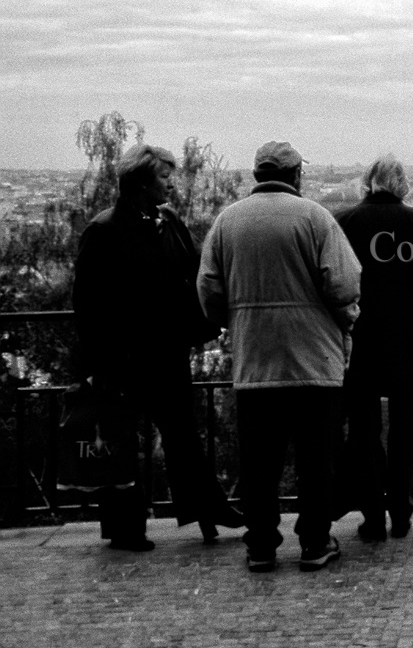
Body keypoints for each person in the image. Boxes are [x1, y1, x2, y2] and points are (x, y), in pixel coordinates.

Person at [197, 141, 361, 572]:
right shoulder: (315, 218)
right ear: (295, 176)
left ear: (257, 174)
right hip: (313, 359)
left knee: (259, 461)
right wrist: (346, 320)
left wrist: (233, 321)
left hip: (255, 359)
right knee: (316, 458)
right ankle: (313, 542)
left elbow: (209, 288)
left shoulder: (227, 221)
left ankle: (262, 546)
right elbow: (343, 285)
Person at [73, 144, 242, 551]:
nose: (171, 182)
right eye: (164, 176)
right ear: (142, 182)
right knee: (127, 440)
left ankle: (200, 510)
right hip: (125, 357)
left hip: (162, 351)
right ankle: (134, 526)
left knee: (179, 435)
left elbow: (195, 271)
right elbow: (89, 303)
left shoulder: (161, 222)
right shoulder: (106, 230)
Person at [335, 154, 413, 541]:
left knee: (364, 431)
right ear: (402, 185)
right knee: (405, 428)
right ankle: (401, 512)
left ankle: (372, 517)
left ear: (368, 182)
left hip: (360, 339)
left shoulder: (344, 223)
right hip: (408, 336)